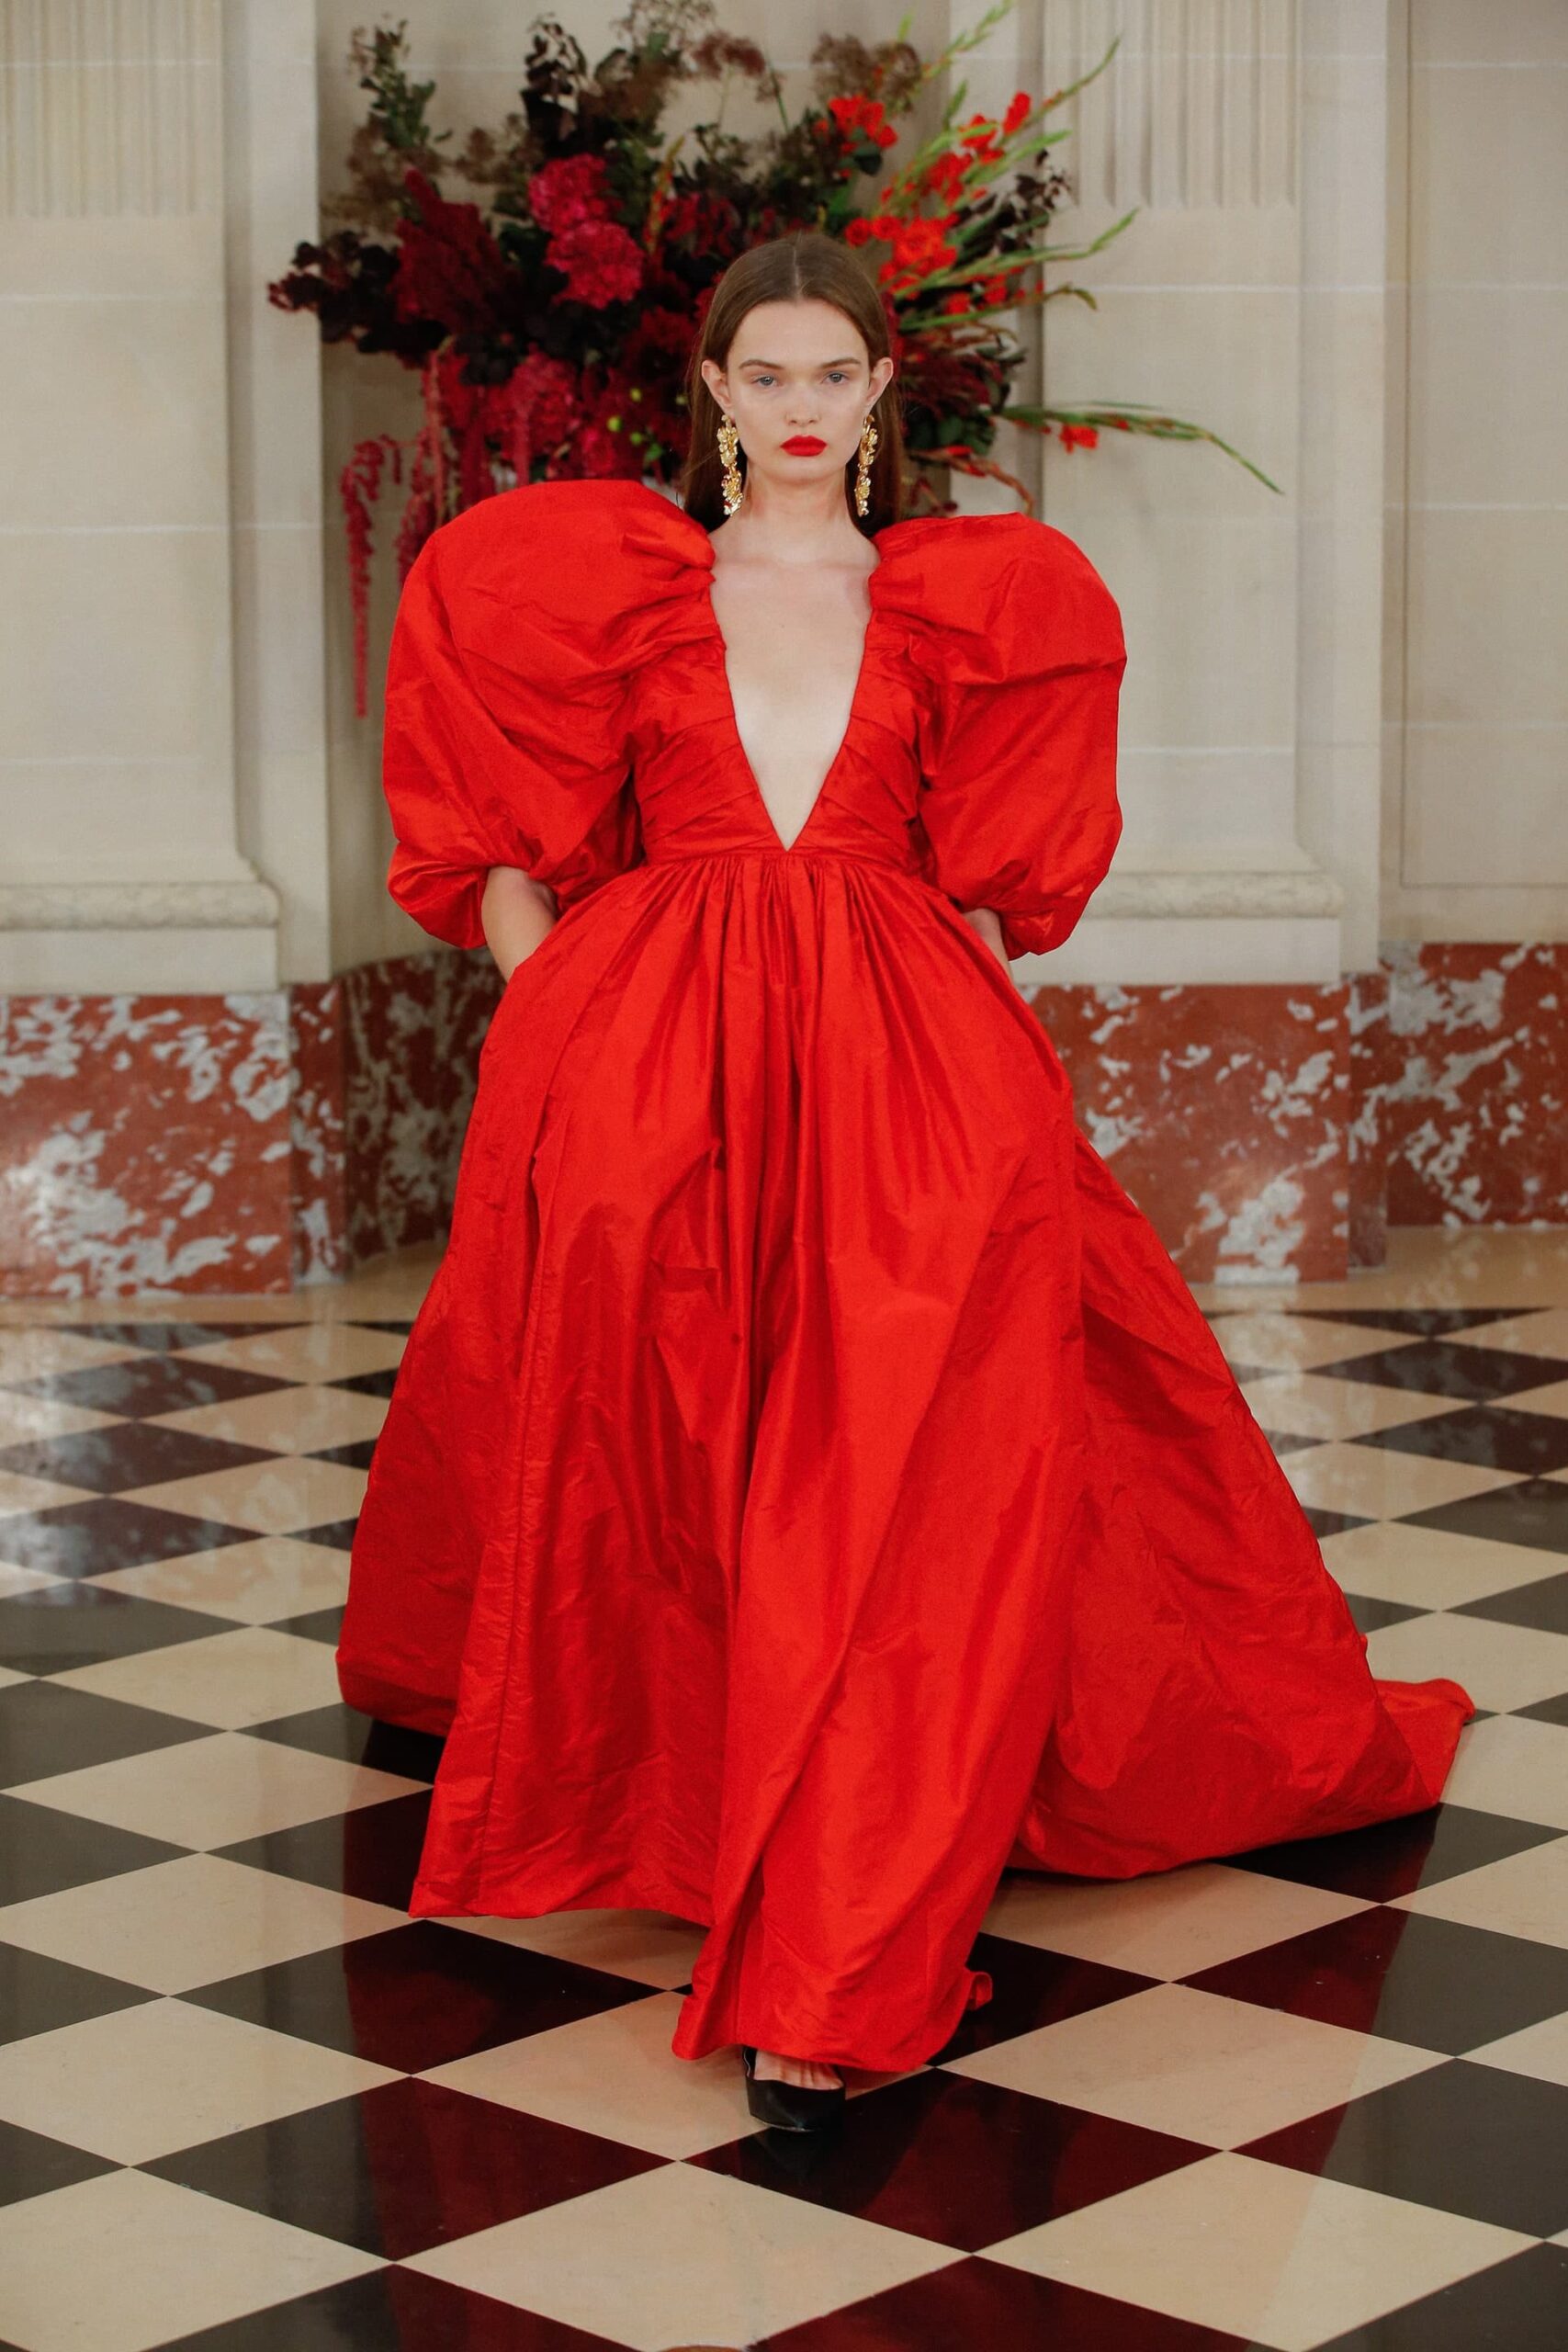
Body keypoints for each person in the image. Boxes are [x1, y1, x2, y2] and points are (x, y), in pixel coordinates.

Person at [337, 230, 1472, 2133]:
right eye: (764, 373)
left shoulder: (970, 596)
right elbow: (493, 827)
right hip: (655, 1070)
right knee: (684, 1442)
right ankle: (713, 1806)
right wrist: (559, 1007)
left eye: (831, 374)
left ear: (879, 389)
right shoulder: (617, 582)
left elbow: (997, 881)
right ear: (713, 388)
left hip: (906, 1068)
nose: (799, 405)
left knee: (906, 1474)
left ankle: (842, 1928)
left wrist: (939, 1042)